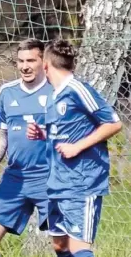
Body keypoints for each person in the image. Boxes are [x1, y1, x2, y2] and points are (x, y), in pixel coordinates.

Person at [27, 39, 122, 257]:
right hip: (57, 183)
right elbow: (61, 135)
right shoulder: (54, 96)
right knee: (60, 245)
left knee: (79, 247)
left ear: (45, 66)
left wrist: (77, 147)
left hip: (82, 183)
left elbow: (113, 123)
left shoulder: (78, 89)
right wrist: (42, 134)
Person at [0, 38, 53, 257]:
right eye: (20, 61)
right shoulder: (7, 93)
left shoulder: (57, 91)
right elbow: (1, 136)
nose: (25, 66)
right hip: (15, 178)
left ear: (43, 62)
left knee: (64, 246)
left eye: (30, 60)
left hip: (51, 177)